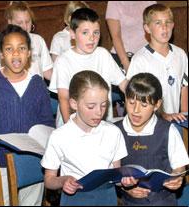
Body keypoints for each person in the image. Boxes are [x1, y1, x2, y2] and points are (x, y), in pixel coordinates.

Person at [41, 70, 136, 206]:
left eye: (104, 105)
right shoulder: (60, 136)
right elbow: (49, 180)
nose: (99, 112)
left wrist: (125, 180)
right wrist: (63, 180)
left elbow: (116, 173)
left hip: (107, 197)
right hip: (75, 199)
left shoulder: (113, 132)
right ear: (74, 104)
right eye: (91, 106)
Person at [0, 24, 55, 206]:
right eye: (9, 49)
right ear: (1, 54)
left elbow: (47, 122)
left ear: (29, 54)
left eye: (21, 48)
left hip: (32, 162)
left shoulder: (38, 85)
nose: (16, 54)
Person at [114, 73, 189, 206]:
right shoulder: (115, 131)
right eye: (131, 102)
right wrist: (125, 187)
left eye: (144, 105)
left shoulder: (168, 130)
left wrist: (177, 178)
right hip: (129, 202)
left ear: (156, 104)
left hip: (163, 201)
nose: (136, 110)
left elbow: (179, 169)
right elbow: (111, 173)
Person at [49, 8, 127, 128]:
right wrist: (72, 130)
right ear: (72, 33)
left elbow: (124, 84)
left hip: (102, 125)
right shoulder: (63, 61)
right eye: (85, 33)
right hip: (72, 125)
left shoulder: (103, 55)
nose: (92, 38)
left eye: (96, 32)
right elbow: (64, 99)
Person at [126, 3, 188, 123]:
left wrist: (184, 116)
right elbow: (134, 96)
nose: (164, 27)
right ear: (147, 28)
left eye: (168, 22)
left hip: (175, 119)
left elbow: (184, 86)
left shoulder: (180, 54)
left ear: (173, 25)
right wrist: (163, 115)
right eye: (158, 23)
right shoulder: (140, 59)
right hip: (149, 122)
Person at [105, 1, 156, 115]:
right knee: (133, 95)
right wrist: (128, 65)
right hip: (123, 56)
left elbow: (155, 29)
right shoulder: (114, 3)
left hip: (146, 55)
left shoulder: (150, 1)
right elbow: (116, 36)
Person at [0, 1, 53, 80]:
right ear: (10, 22)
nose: (25, 26)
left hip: (36, 88)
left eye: (27, 22)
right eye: (19, 23)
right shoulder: (2, 44)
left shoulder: (38, 40)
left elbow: (47, 71)